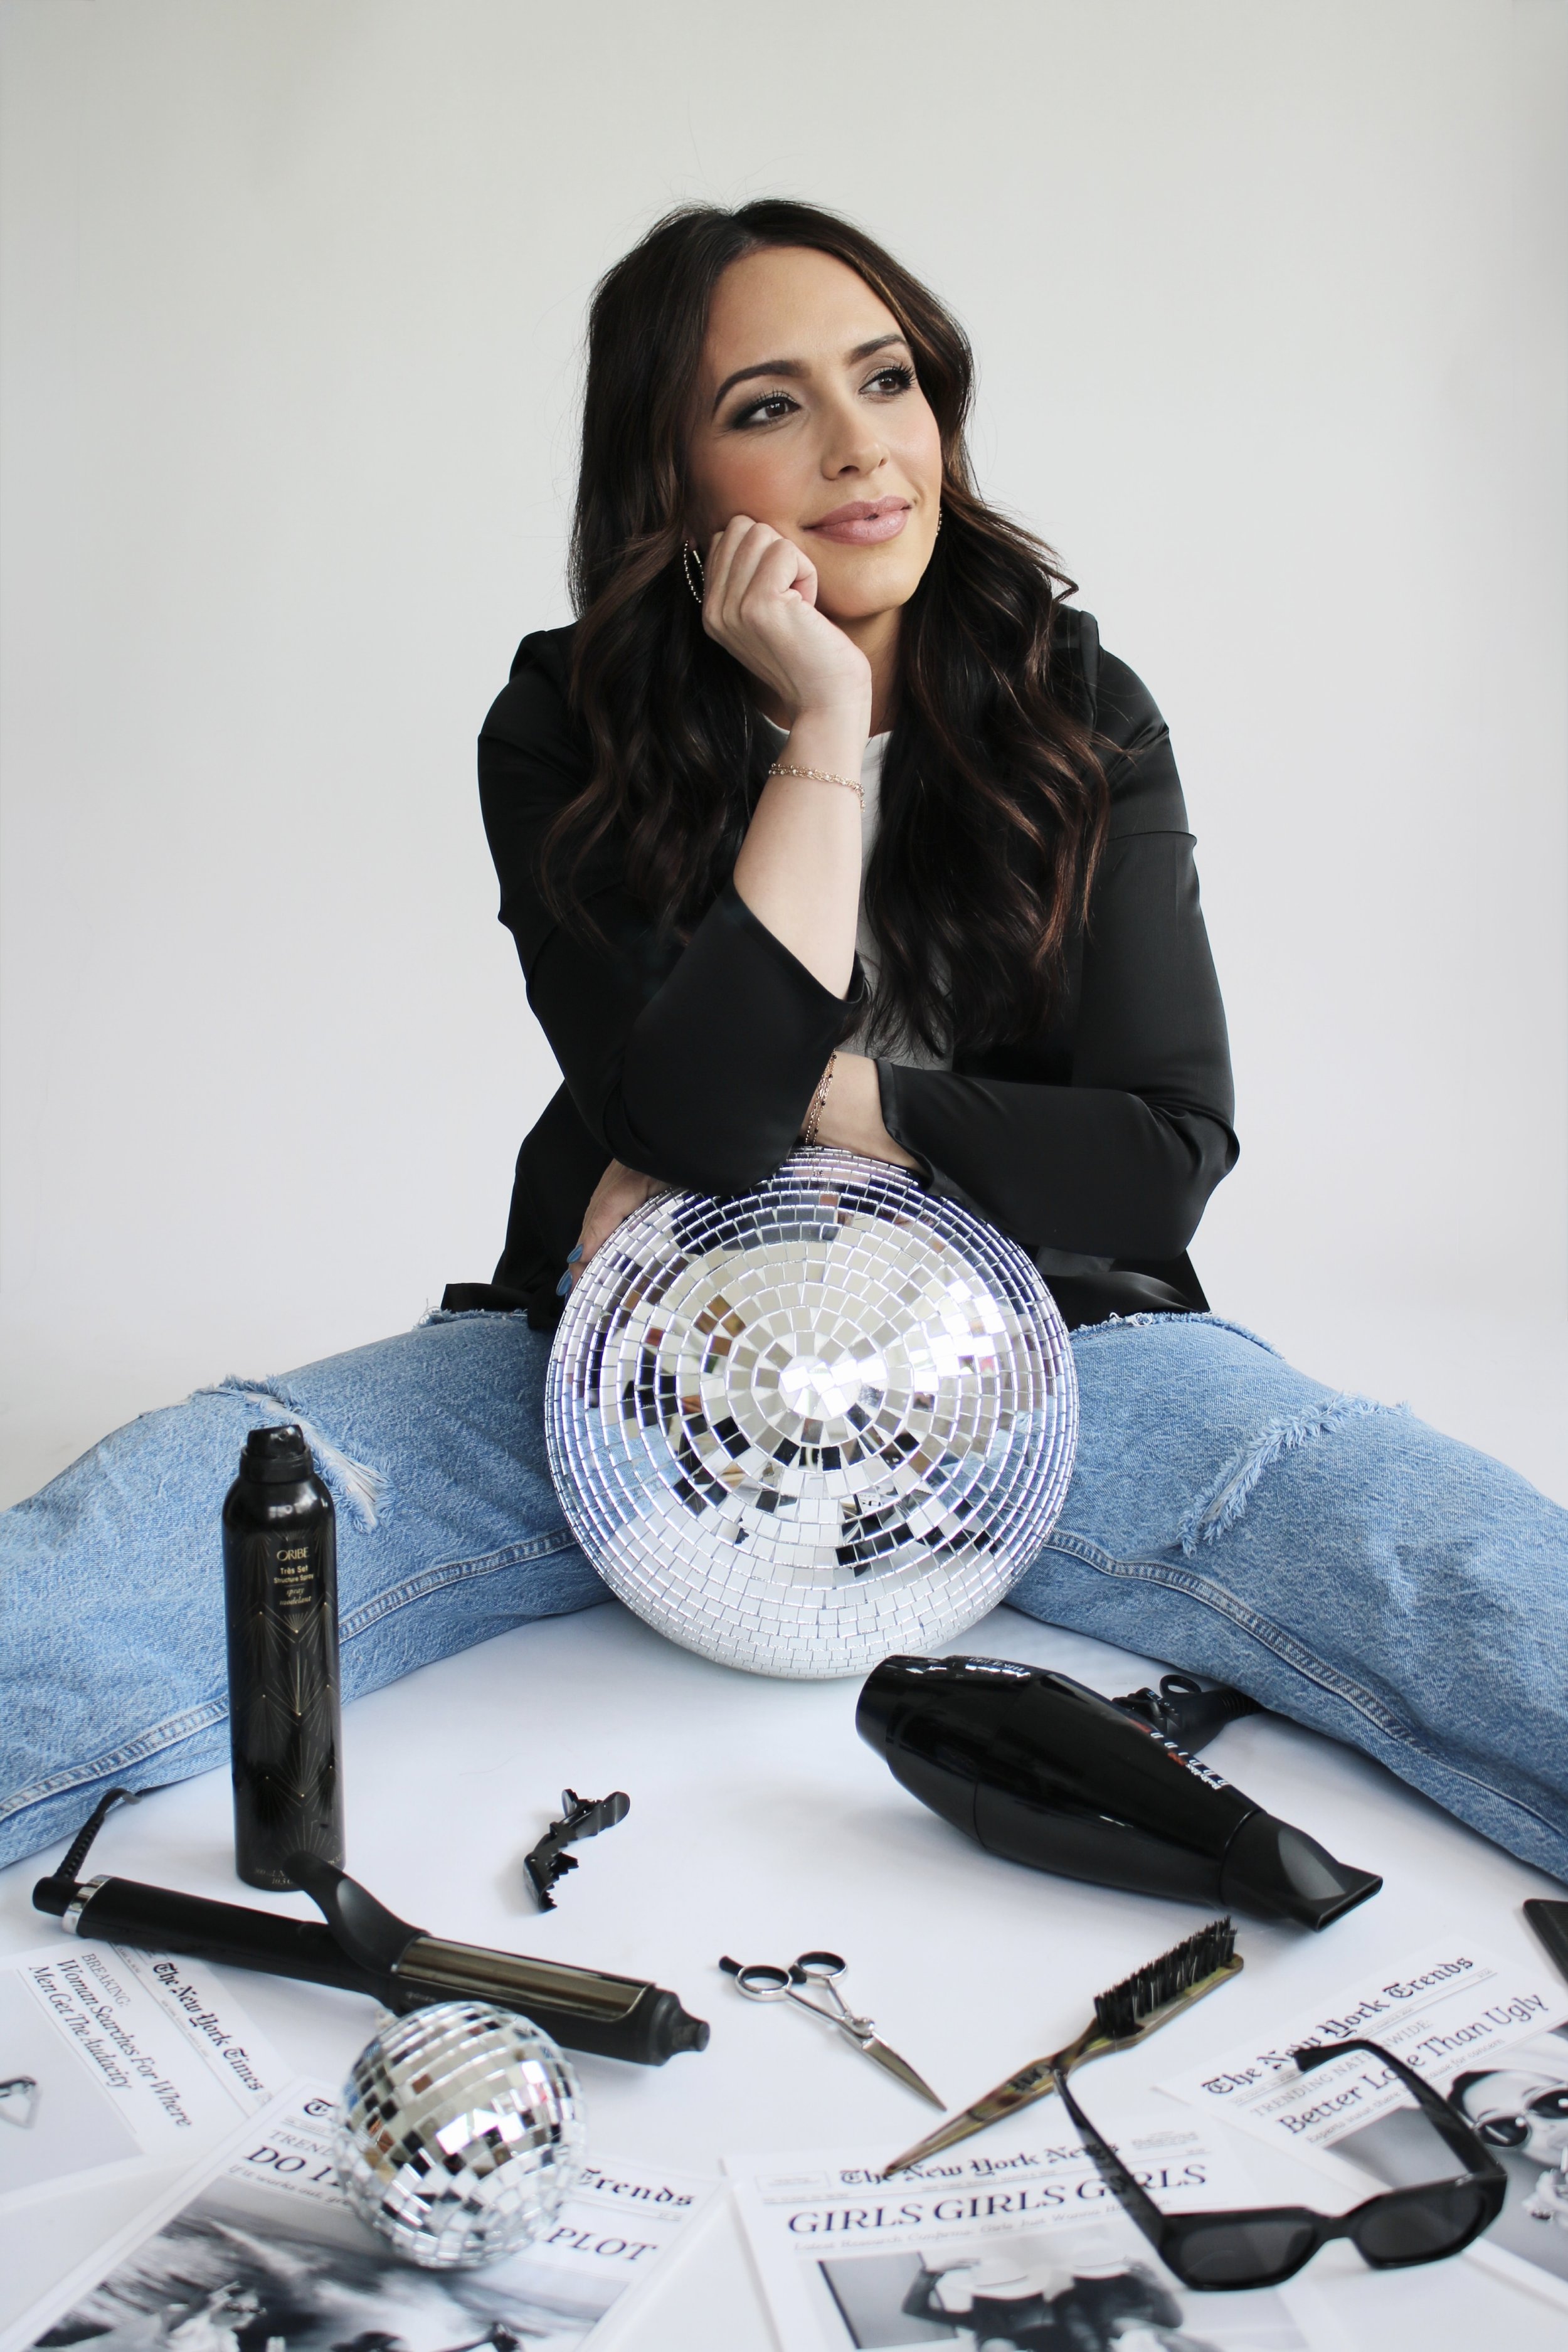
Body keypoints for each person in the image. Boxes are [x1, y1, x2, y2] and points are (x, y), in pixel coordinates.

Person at [3, 201, 1565, 1883]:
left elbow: (1157, 1161)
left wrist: (848, 1101)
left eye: (884, 380)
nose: (857, 448)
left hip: (1045, 1354)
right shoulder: (564, 721)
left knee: (1441, 1562)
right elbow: (705, 1124)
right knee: (168, 1528)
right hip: (624, 1362)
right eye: (765, 407)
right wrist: (822, 728)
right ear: (666, 484)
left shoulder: (1076, 708)